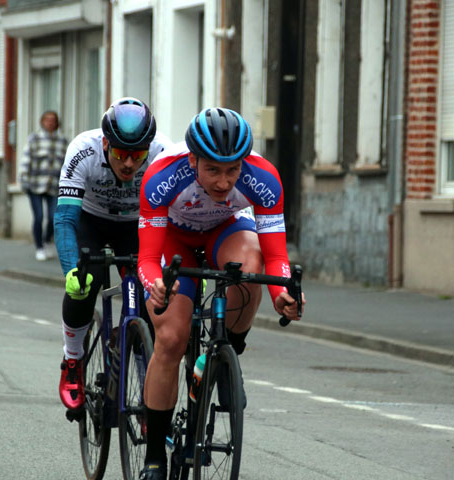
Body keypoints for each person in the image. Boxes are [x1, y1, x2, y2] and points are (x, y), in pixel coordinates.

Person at [136, 107, 305, 479]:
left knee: (250, 268)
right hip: (174, 238)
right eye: (213, 170)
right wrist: (156, 285)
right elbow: (147, 259)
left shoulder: (263, 177)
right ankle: (154, 457)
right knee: (170, 339)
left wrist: (282, 294)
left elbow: (277, 256)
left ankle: (228, 355)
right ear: (193, 159)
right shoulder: (163, 175)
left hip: (227, 231)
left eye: (232, 170)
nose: (224, 182)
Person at [54, 97, 171, 411]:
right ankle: (74, 359)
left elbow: (175, 219)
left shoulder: (163, 153)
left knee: (152, 296)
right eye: (121, 153)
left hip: (138, 223)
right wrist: (70, 271)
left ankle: (147, 382)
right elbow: (65, 219)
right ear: (105, 143)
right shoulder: (83, 150)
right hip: (90, 220)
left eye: (137, 155)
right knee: (85, 283)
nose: (130, 164)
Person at [19, 110, 69, 261]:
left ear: (57, 122)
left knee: (54, 217)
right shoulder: (35, 139)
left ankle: (47, 241)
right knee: (39, 216)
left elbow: (67, 163)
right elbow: (26, 159)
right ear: (42, 122)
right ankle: (39, 247)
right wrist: (23, 178)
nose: (50, 123)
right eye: (47, 120)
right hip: (35, 184)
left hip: (54, 186)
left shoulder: (63, 141)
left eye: (53, 120)